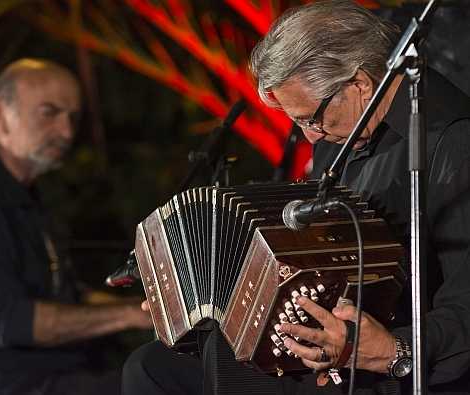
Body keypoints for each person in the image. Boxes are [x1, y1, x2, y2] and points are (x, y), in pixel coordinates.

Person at [122, 1, 470, 394]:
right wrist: (192, 298)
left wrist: (392, 349)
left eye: (310, 118)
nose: (310, 136)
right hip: (329, 347)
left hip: (395, 363)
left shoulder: (453, 142)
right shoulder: (338, 139)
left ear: (359, 84)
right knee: (152, 367)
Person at [0, 58, 152, 395]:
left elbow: (66, 296)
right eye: (49, 113)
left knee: (161, 373)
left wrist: (153, 307)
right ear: (0, 112)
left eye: (72, 117)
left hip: (54, 371)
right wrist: (130, 315)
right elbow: (7, 320)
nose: (66, 132)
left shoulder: (26, 188)